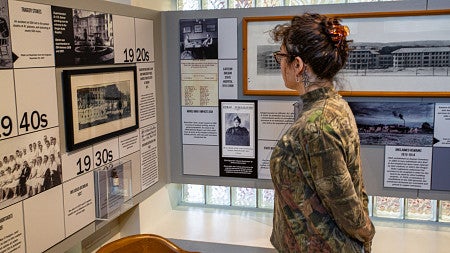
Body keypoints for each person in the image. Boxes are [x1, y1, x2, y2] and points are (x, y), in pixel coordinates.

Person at [269, 13, 375, 252]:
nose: (280, 63)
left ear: (297, 65)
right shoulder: (335, 106)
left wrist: (367, 235)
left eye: (281, 56)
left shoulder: (317, 125)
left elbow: (347, 205)